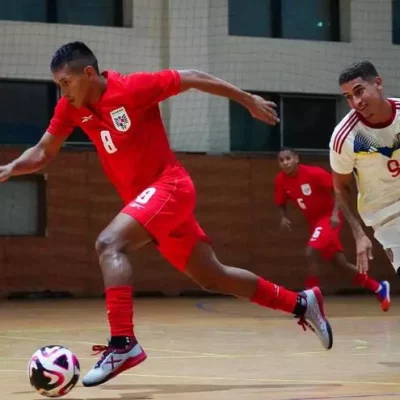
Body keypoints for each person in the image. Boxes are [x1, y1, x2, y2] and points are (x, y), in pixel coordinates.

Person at [0, 42, 333, 387]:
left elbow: (191, 77)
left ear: (88, 73)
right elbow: (43, 151)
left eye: (65, 82)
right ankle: (301, 303)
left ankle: (123, 343)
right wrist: (10, 167)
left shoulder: (132, 88)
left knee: (109, 244)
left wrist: (246, 99)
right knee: (213, 276)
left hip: (170, 187)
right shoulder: (70, 108)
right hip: (150, 205)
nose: (62, 91)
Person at [274, 148, 390, 311]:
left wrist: (336, 214)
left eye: (288, 158)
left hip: (328, 218)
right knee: (339, 263)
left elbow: (338, 190)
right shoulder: (281, 180)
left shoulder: (314, 173)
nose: (285, 162)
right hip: (314, 223)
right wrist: (283, 216)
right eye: (281, 160)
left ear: (296, 159)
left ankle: (310, 300)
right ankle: (378, 288)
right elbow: (281, 200)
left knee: (310, 252)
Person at [330, 60, 400, 282]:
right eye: (349, 97)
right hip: (387, 217)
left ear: (378, 83)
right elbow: (340, 186)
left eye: (359, 91)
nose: (356, 102)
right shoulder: (345, 137)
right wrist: (358, 233)